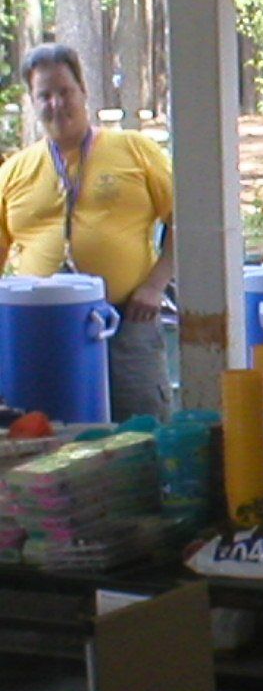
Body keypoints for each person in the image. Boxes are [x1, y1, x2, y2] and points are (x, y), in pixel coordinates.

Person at [0, 44, 175, 422]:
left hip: (128, 321)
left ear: (84, 92)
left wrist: (155, 286)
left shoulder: (134, 149)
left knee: (144, 433)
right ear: (33, 102)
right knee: (48, 436)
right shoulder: (14, 171)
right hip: (40, 331)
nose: (56, 104)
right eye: (44, 95)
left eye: (65, 91)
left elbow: (186, 223)